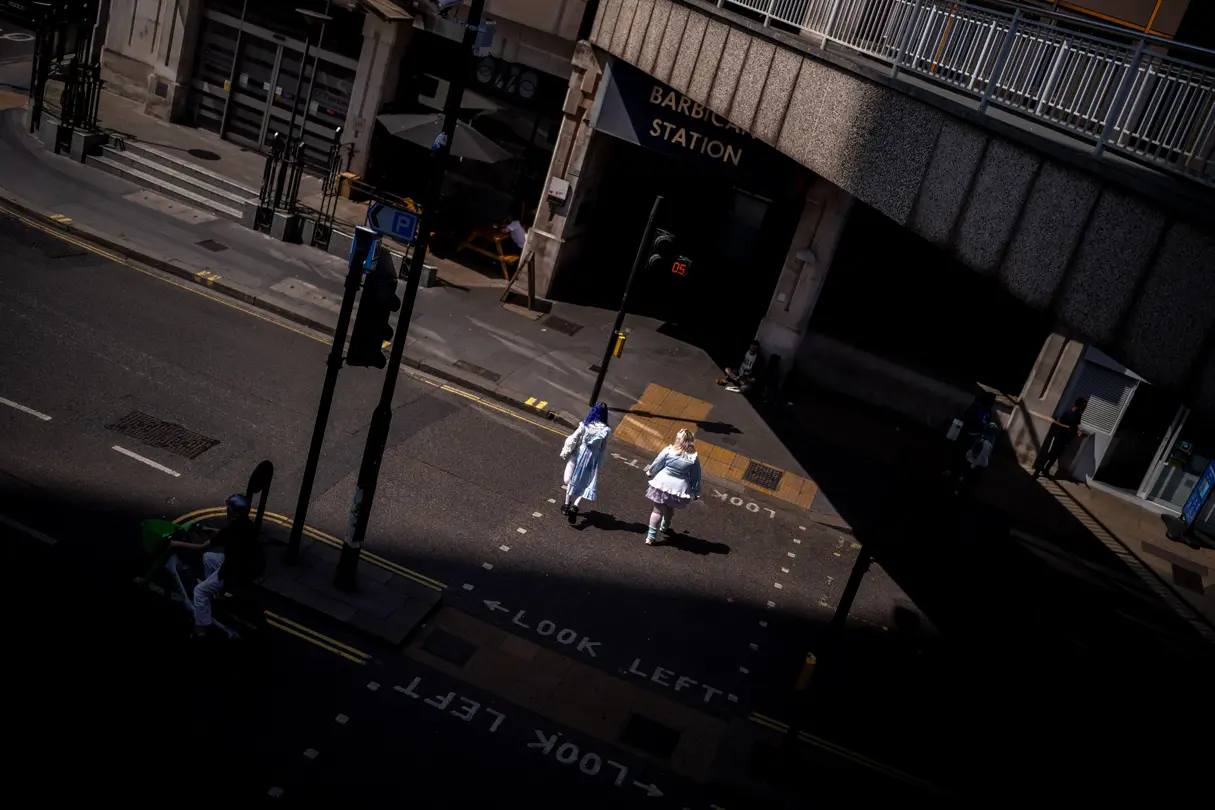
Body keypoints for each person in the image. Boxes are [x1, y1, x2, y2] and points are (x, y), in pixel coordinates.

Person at [170, 493, 258, 636]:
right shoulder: (247, 525)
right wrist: (210, 531)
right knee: (209, 558)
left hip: (233, 569)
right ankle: (216, 595)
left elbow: (201, 547)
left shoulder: (232, 529)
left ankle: (201, 630)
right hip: (246, 564)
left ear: (233, 512)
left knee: (199, 591)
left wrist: (175, 544)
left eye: (228, 509)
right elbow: (225, 536)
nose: (226, 511)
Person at [642, 429, 702, 545]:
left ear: (679, 440)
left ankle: (650, 536)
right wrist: (696, 491)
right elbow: (696, 476)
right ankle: (665, 526)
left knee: (657, 510)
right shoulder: (693, 458)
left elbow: (657, 462)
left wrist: (651, 472)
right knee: (670, 508)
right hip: (679, 487)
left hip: (662, 483)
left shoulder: (669, 450)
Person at [560, 402, 612, 525]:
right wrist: (600, 463)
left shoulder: (585, 425)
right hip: (592, 458)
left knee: (571, 479)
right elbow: (603, 449)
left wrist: (566, 451)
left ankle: (567, 504)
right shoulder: (606, 430)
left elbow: (574, 438)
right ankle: (576, 506)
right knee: (587, 483)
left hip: (579, 454)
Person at [946, 391, 997, 481]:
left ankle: (958, 473)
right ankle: (951, 470)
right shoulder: (976, 407)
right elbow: (966, 419)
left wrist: (984, 429)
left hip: (974, 437)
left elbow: (985, 422)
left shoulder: (988, 411)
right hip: (966, 434)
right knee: (958, 453)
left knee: (967, 457)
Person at [1033, 397, 1089, 479]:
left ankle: (1046, 470)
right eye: (1084, 406)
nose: (1085, 408)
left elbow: (1075, 426)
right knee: (1050, 454)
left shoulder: (1078, 416)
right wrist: (1067, 427)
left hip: (1067, 439)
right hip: (1059, 436)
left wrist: (1078, 432)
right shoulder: (1067, 413)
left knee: (1056, 456)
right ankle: (1037, 471)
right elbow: (1057, 423)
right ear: (1079, 405)